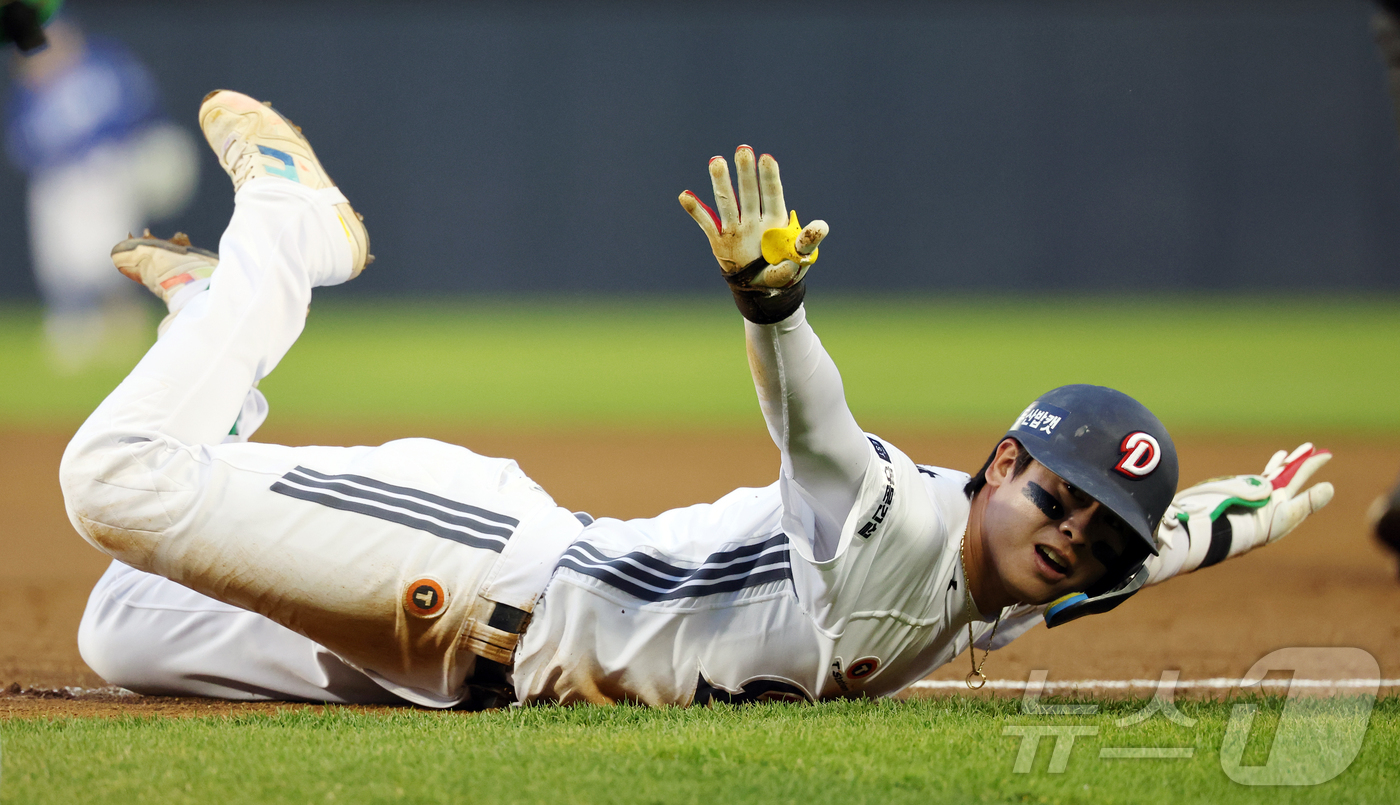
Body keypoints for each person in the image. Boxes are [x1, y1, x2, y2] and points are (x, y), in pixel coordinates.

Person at [61, 90, 1334, 709]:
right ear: (1000, 464)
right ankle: (286, 232)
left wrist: (1247, 516)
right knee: (115, 482)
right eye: (1060, 500)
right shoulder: (895, 517)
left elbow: (1155, 548)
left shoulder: (1010, 588)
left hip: (454, 679)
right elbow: (814, 430)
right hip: (477, 567)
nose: (1073, 536)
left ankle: (213, 366)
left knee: (121, 629)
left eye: (1094, 531)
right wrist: (772, 310)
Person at [5, 17, 197, 370]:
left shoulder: (104, 68)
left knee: (111, 258)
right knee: (62, 262)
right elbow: (22, 144)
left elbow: (138, 107)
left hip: (106, 173)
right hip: (58, 181)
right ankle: (73, 327)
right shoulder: (34, 92)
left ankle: (123, 329)